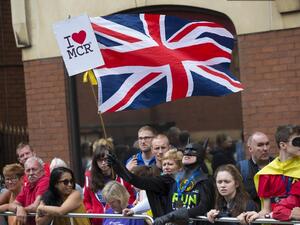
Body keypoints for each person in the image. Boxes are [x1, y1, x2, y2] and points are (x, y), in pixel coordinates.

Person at [108, 142, 215, 225]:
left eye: (193, 150)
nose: (187, 152)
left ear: (201, 155)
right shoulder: (171, 179)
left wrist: (171, 216)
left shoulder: (205, 181)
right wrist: (118, 168)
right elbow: (140, 182)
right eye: (186, 150)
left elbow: (203, 208)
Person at [245, 125, 300, 222]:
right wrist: (255, 215)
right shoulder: (266, 174)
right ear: (283, 145)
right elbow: (266, 210)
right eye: (297, 141)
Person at [83, 144, 135, 225]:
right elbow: (86, 199)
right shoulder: (89, 176)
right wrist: (90, 211)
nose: (103, 163)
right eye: (100, 160)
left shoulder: (122, 174)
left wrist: (125, 209)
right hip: (96, 220)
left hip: (119, 220)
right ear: (95, 162)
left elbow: (130, 197)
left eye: (106, 159)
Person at [8, 157, 49, 225]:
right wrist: (19, 208)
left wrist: (23, 210)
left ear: (42, 171)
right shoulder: (28, 185)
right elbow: (12, 205)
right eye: (28, 170)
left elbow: (36, 206)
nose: (31, 173)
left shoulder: (45, 181)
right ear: (25, 173)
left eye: (34, 169)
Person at [236, 131, 273, 207]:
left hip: (276, 216)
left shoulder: (279, 165)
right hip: (251, 216)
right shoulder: (242, 168)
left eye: (267, 144)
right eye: (260, 145)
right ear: (250, 149)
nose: (265, 148)